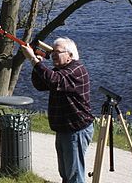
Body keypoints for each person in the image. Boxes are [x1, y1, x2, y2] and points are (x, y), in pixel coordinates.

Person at [21, 37, 94, 183]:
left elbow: (54, 80)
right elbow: (41, 84)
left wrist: (33, 61)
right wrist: (38, 63)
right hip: (64, 128)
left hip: (76, 130)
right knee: (65, 173)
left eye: (57, 52)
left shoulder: (76, 70)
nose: (53, 54)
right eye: (52, 51)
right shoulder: (61, 70)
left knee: (74, 175)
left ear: (70, 55)